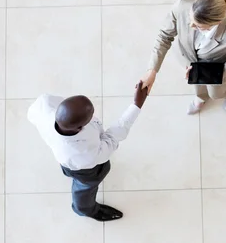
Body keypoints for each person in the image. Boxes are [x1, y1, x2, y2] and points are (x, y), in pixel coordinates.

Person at [27, 81, 149, 221]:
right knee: (84, 187)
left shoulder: (45, 103)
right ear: (79, 128)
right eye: (91, 118)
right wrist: (136, 105)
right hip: (83, 170)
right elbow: (112, 139)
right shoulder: (85, 154)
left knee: (70, 169)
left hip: (65, 157)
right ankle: (85, 209)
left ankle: (68, 174)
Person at [141, 0, 226, 115]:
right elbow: (164, 36)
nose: (190, 26)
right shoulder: (182, 5)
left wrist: (205, 73)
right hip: (187, 57)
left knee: (217, 93)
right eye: (190, 18)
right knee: (196, 83)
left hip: (216, 70)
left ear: (217, 22)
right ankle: (201, 97)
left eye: (198, 26)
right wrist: (152, 71)